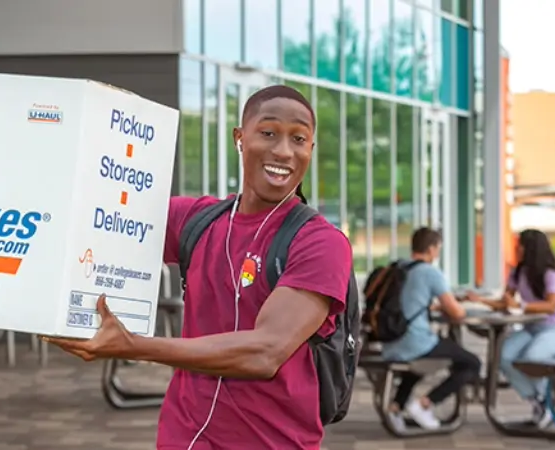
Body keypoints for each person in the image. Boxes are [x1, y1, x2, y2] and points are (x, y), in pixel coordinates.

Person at [46, 85, 353, 449]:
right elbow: (90, 217)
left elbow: (265, 352)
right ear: (240, 138)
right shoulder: (195, 220)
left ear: (311, 149)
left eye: (299, 139)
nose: (283, 151)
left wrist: (132, 346)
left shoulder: (320, 243)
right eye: (268, 133)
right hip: (182, 438)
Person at [466, 228, 555, 428]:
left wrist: (521, 306)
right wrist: (480, 300)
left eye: (520, 244)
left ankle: (545, 402)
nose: (517, 248)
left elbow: (551, 306)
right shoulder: (518, 271)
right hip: (531, 328)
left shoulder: (550, 274)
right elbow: (506, 302)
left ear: (530, 248)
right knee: (504, 356)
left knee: (532, 358)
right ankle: (537, 400)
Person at [380, 227, 481, 431]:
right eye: (438, 249)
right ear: (433, 248)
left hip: (391, 342)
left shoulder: (400, 268)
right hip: (414, 342)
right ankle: (424, 404)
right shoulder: (430, 272)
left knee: (421, 365)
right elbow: (457, 313)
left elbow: (413, 302)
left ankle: (396, 407)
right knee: (471, 363)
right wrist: (462, 305)